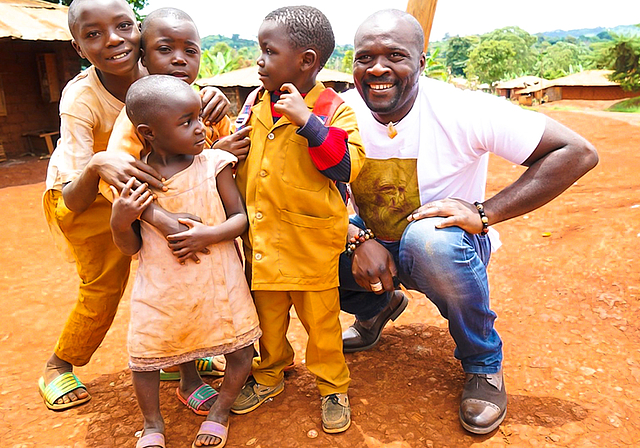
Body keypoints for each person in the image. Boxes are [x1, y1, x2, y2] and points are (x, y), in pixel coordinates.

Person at [338, 9, 599, 435]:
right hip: (370, 246)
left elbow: (577, 152)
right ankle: (376, 307)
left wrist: (484, 213)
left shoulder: (460, 109)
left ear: (422, 61)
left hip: (443, 249)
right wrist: (355, 236)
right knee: (297, 244)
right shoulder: (340, 114)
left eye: (395, 55)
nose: (378, 68)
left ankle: (482, 364)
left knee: (430, 241)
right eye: (365, 57)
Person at [39, 0, 229, 411]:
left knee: (173, 276)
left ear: (141, 34)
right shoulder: (81, 99)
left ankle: (181, 363)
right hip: (82, 198)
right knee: (104, 286)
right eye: (93, 34)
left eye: (124, 26)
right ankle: (59, 364)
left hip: (150, 196)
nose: (113, 40)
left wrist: (213, 100)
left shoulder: (163, 72)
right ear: (77, 47)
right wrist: (96, 166)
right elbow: (73, 194)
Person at [229, 6, 365, 434]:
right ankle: (270, 372)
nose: (259, 60)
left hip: (309, 247)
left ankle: (332, 386)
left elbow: (346, 166)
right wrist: (229, 150)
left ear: (306, 60)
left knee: (322, 326)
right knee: (267, 319)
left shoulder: (332, 108)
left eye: (268, 51)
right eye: (260, 50)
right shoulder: (253, 103)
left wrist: (307, 122)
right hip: (264, 241)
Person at [101, 7, 250, 393]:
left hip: (213, 238)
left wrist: (221, 146)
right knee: (176, 308)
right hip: (164, 246)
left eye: (191, 50)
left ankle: (211, 359)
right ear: (143, 57)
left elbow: (213, 158)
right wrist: (162, 219)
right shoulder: (135, 116)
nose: (180, 59)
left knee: (214, 301)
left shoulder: (205, 102)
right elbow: (119, 179)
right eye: (165, 49)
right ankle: (186, 374)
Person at [110, 74, 260, 448]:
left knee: (240, 353)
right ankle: (152, 424)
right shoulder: (134, 179)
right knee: (145, 358)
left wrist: (207, 234)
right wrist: (119, 218)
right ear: (148, 133)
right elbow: (130, 248)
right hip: (162, 290)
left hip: (218, 283)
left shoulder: (214, 165)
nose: (200, 129)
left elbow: (239, 219)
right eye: (186, 122)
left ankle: (220, 411)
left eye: (199, 118)